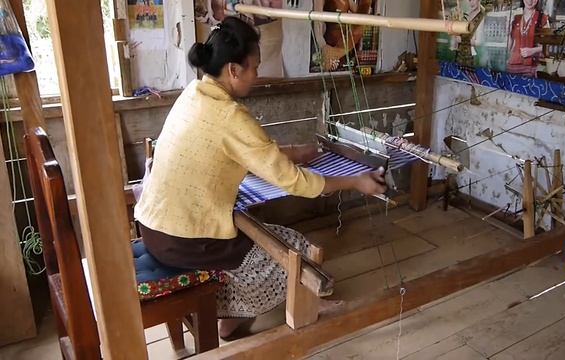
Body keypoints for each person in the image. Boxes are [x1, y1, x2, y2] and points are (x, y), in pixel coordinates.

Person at [134, 16, 386, 339]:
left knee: (261, 233)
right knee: (294, 249)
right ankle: (275, 311)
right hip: (185, 241)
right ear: (233, 70)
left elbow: (246, 152)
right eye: (253, 67)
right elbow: (294, 182)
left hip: (155, 228)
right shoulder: (232, 117)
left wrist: (298, 151)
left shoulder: (194, 94)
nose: (257, 74)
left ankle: (231, 316)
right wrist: (356, 181)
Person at [506, 0, 548, 76]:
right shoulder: (515, 17)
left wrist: (533, 51)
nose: (530, 1)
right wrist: (507, 33)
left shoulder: (542, 18)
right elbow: (509, 47)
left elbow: (548, 46)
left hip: (532, 67)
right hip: (512, 66)